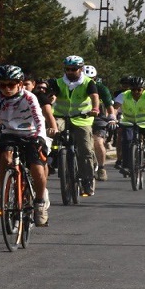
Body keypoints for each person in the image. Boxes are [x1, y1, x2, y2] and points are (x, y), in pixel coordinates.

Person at [0, 65, 51, 225]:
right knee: (4, 159)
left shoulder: (29, 97)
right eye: (2, 85)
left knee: (37, 167)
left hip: (31, 134)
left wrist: (41, 138)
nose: (7, 89)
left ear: (20, 84)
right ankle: (4, 193)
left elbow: (39, 118)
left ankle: (40, 201)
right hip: (9, 134)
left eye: (11, 84)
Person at [50, 55, 100, 196]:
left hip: (82, 119)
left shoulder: (88, 83)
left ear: (81, 69)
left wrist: (95, 109)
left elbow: (94, 96)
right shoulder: (58, 82)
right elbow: (53, 94)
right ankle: (52, 157)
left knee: (85, 150)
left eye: (74, 69)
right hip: (61, 117)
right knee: (52, 132)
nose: (70, 72)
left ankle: (87, 179)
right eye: (67, 69)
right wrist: (51, 98)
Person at [114, 76, 145, 175]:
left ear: (143, 89)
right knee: (126, 140)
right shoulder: (123, 95)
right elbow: (115, 108)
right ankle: (126, 165)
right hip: (129, 122)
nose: (136, 92)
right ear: (130, 88)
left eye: (139, 89)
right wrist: (113, 119)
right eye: (133, 89)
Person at [87, 66, 115, 181]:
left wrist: (112, 118)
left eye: (91, 79)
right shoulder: (75, 87)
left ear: (95, 78)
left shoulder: (101, 88)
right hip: (80, 118)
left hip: (99, 118)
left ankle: (102, 168)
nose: (88, 82)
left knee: (98, 142)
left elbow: (110, 106)